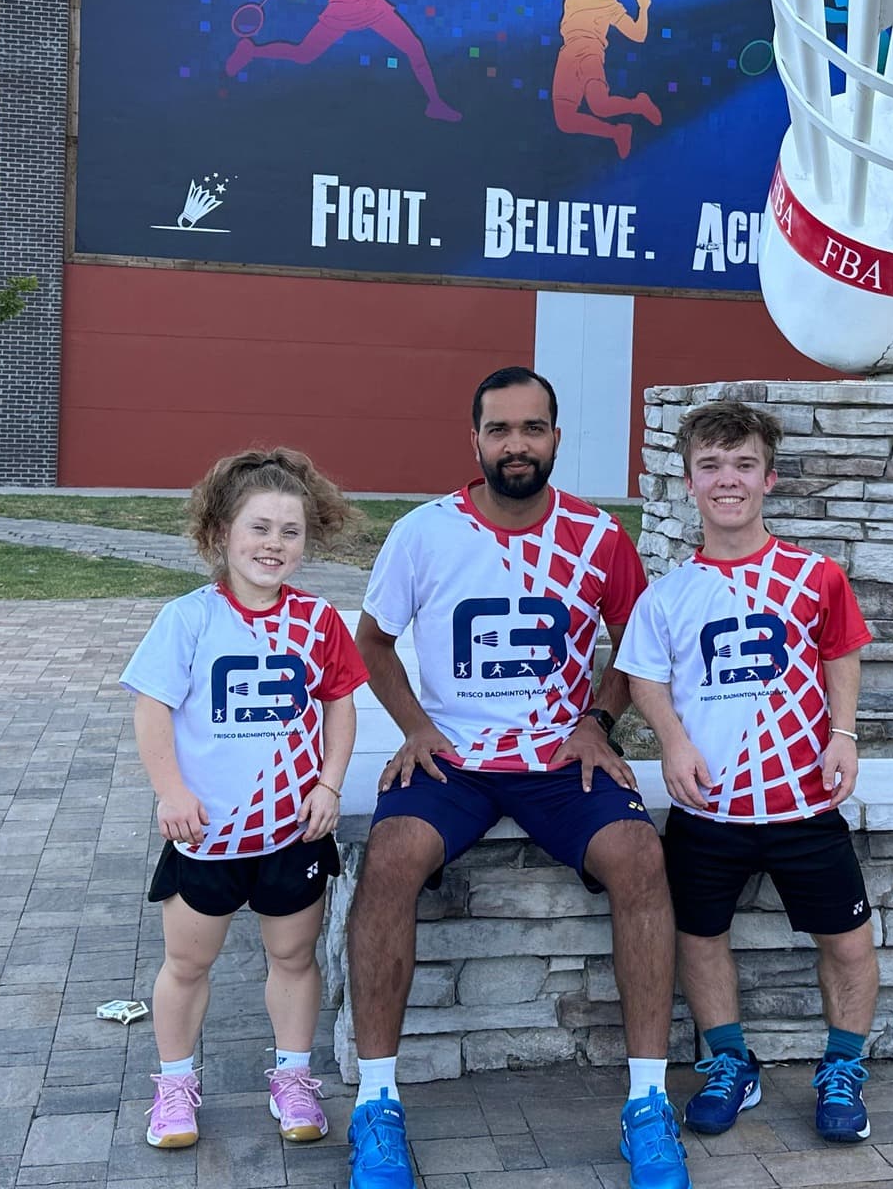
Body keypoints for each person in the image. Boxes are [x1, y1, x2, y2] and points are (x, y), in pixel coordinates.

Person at [345, 366, 690, 1189]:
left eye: (532, 429)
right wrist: (417, 727)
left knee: (641, 858)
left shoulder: (599, 535)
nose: (516, 445)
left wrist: (597, 721)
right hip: (455, 760)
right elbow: (372, 640)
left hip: (557, 760)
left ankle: (648, 1104)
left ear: (556, 439)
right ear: (475, 441)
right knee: (389, 855)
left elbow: (636, 648)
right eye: (499, 430)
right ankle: (376, 1106)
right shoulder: (426, 532)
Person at [616, 400, 879, 1144]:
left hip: (804, 800)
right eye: (710, 466)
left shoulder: (815, 576)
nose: (726, 479)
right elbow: (646, 678)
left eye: (741, 464)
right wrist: (671, 742)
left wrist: (844, 733)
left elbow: (841, 652)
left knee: (849, 944)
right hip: (710, 810)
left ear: (769, 476)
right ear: (689, 480)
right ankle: (731, 1063)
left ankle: (843, 1069)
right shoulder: (667, 595)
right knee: (699, 938)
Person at [121, 448, 368, 1151]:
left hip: (293, 835)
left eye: (290, 532)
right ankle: (174, 1088)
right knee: (187, 964)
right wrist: (171, 791)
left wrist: (328, 783)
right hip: (209, 837)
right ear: (220, 533)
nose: (274, 545)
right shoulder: (188, 619)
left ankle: (292, 1080)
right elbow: (151, 709)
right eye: (259, 528)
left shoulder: (320, 621)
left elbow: (340, 706)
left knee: (293, 960)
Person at [228, 0, 462, 122]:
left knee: (413, 46)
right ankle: (252, 51)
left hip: (369, 2)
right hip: (344, 10)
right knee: (304, 54)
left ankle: (435, 103)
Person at [491, 0, 662, 158]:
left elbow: (639, 35)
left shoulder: (611, 4)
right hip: (568, 53)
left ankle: (638, 105)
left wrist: (643, 9)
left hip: (590, 52)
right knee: (565, 121)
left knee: (600, 106)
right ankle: (617, 132)